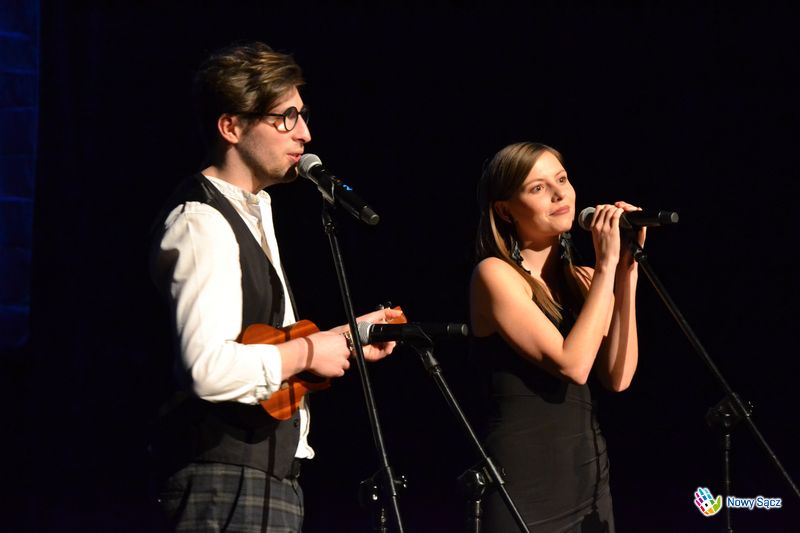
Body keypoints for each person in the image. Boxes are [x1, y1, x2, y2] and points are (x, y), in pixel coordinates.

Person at [148, 41, 401, 532]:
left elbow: (261, 343)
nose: (304, 132)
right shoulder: (202, 222)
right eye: (286, 117)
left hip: (268, 476)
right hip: (222, 480)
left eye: (301, 115)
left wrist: (345, 337)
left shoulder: (252, 211)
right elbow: (206, 369)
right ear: (231, 127)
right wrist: (308, 352)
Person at [469, 142, 644, 532]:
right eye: (537, 187)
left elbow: (618, 377)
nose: (558, 193)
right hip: (522, 488)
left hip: (587, 481)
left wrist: (626, 271)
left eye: (561, 179)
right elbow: (573, 365)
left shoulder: (587, 279)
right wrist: (607, 266)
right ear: (505, 210)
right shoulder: (494, 275)